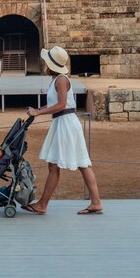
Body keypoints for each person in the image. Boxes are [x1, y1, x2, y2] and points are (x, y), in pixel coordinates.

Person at [23, 45, 103, 215]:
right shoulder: (57, 79)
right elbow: (56, 104)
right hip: (63, 122)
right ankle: (96, 202)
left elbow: (60, 105)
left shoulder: (60, 79)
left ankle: (43, 204)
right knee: (81, 163)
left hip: (66, 123)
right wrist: (38, 109)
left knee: (57, 165)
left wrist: (38, 112)